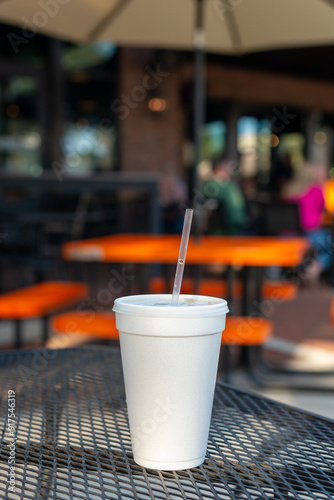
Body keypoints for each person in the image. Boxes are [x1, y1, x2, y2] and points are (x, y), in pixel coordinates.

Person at [282, 162, 331, 282]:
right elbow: (323, 210)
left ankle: (301, 268)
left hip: (287, 236)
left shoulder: (288, 190)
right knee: (329, 243)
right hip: (309, 236)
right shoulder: (317, 190)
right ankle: (316, 266)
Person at [202, 156, 247, 235]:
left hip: (237, 227)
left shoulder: (229, 185)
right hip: (221, 229)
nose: (227, 171)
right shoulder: (212, 185)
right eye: (224, 168)